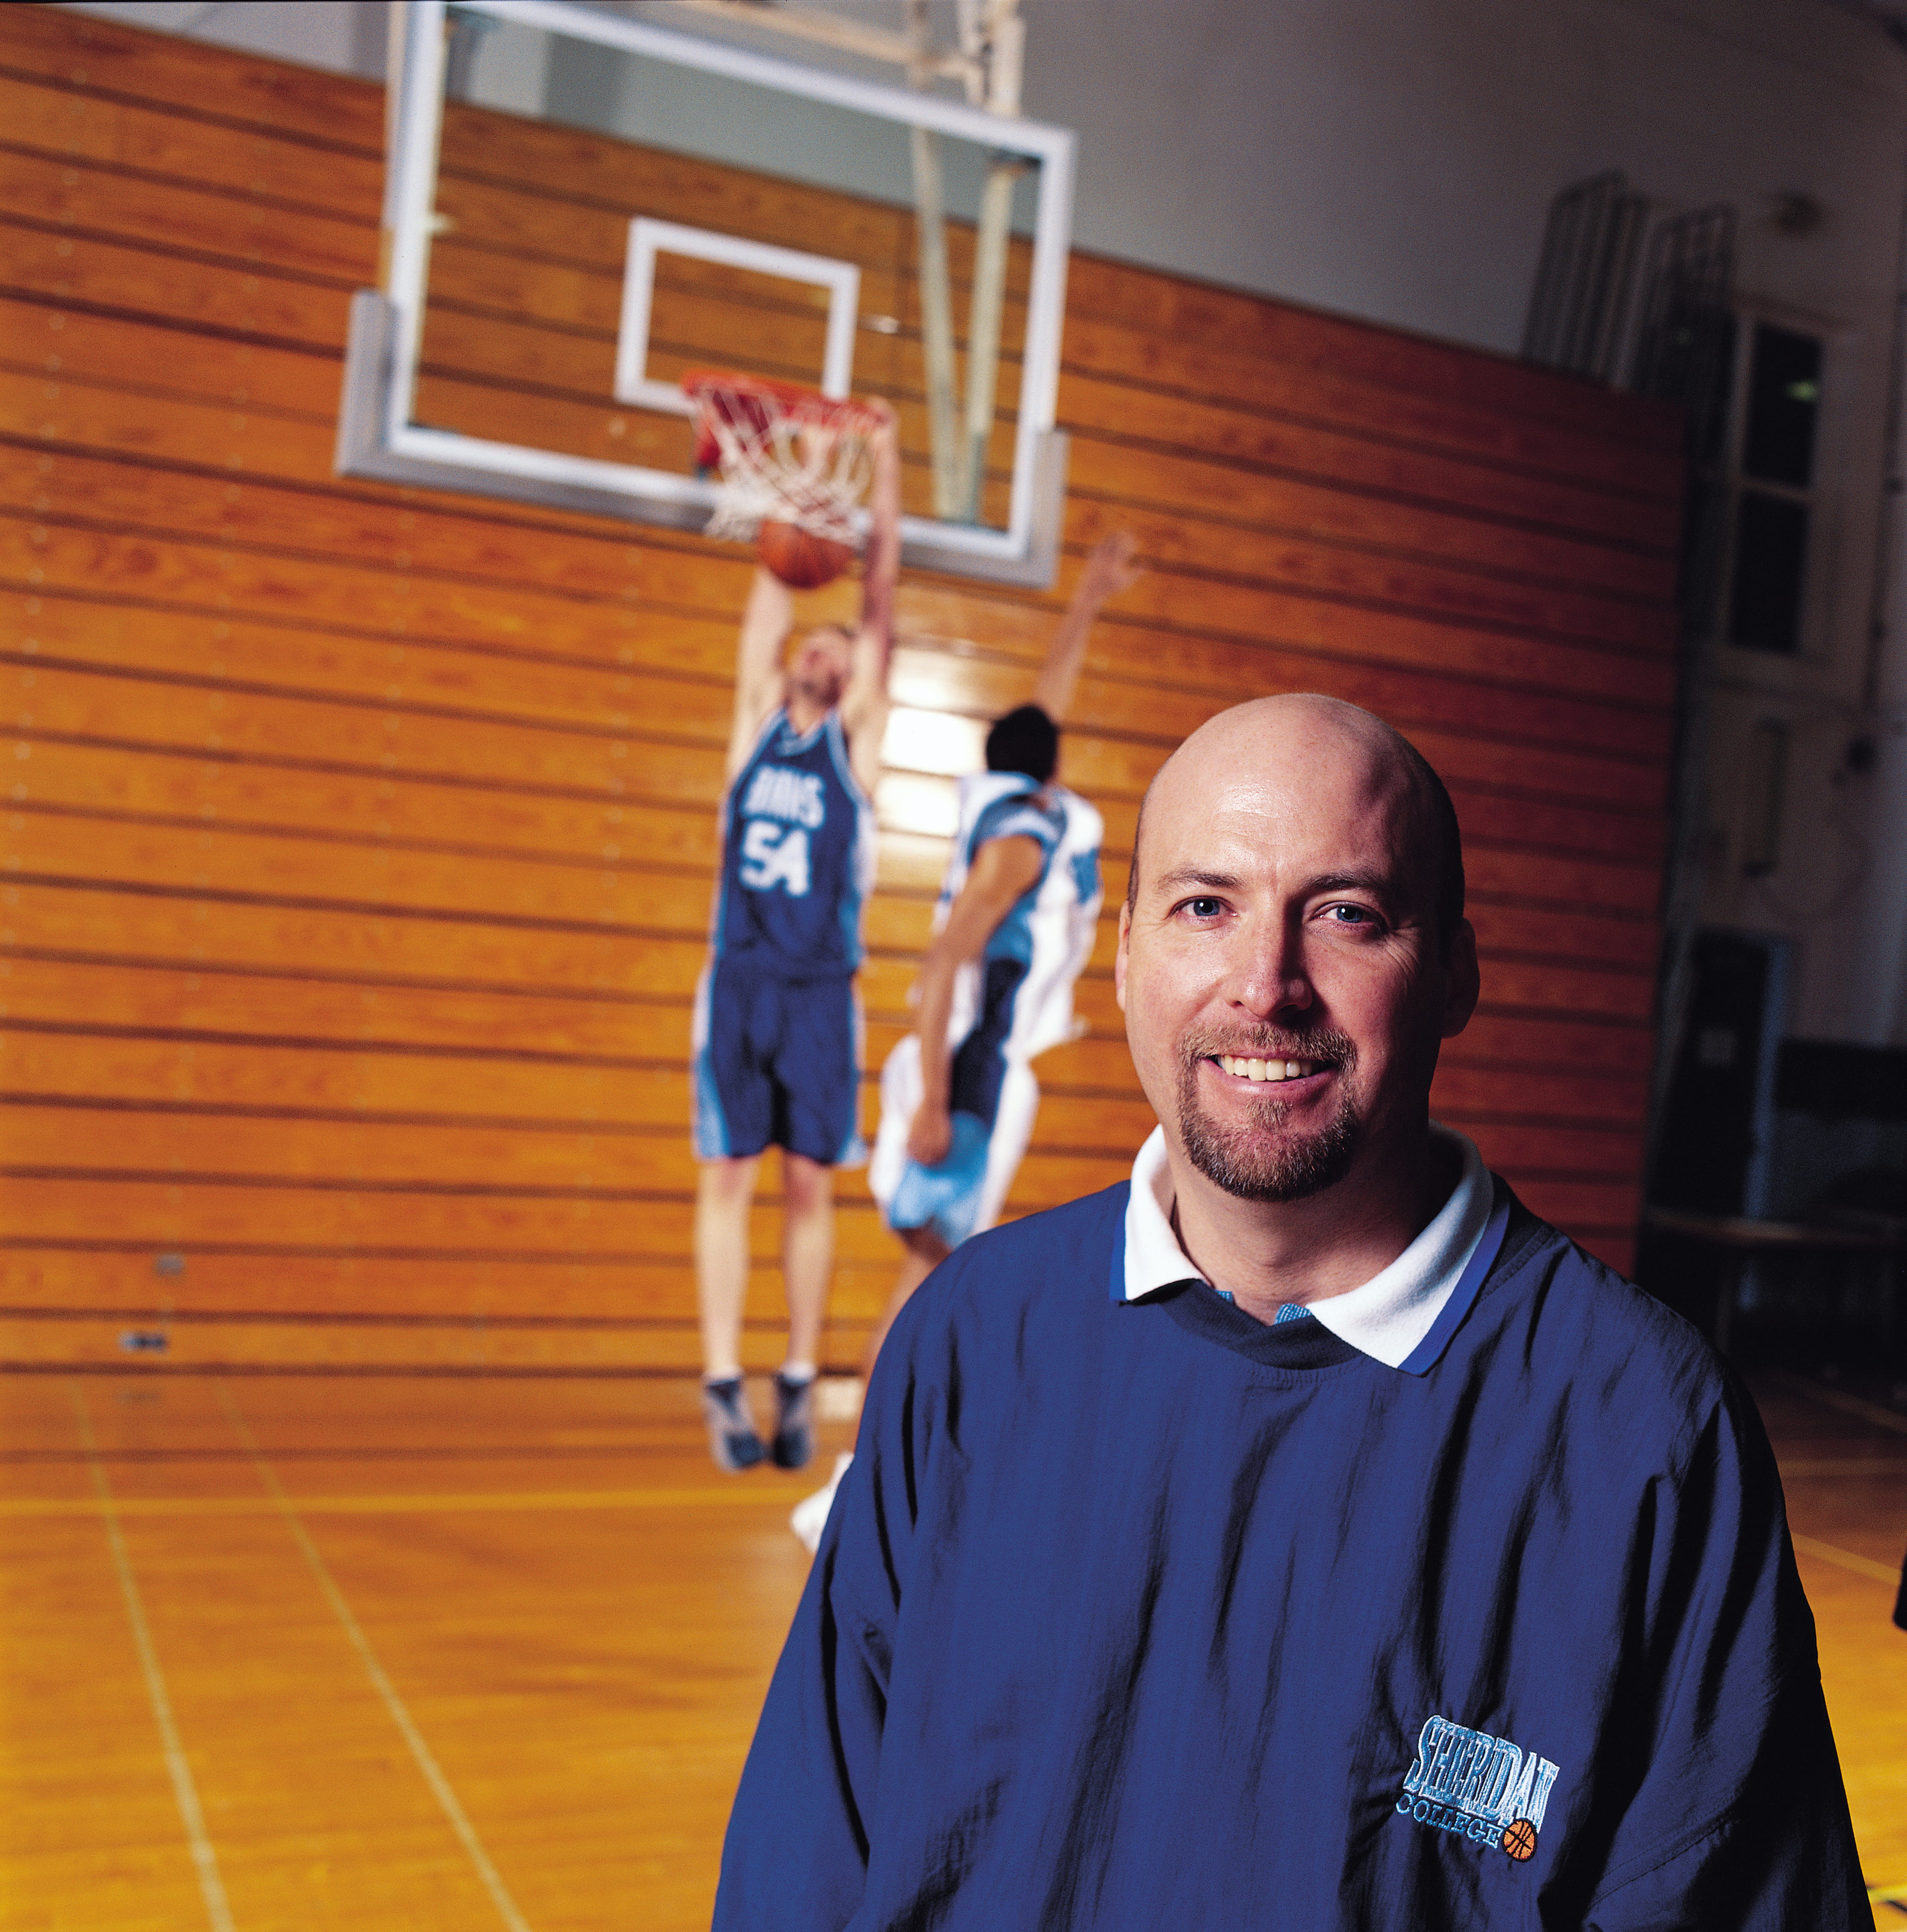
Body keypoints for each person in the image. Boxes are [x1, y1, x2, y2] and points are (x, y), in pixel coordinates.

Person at [716, 693, 1866, 1928]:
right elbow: (807, 1861)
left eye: (1345, 915)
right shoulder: (968, 1341)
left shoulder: (1646, 1428)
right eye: (1205, 907)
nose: (1264, 986)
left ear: (1456, 975)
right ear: (1122, 956)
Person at [788, 534, 1143, 1547]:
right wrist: (942, 1098)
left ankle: (879, 1476)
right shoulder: (1029, 836)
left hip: (952, 1065)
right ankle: (856, 1485)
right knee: (933, 1281)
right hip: (970, 1072)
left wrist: (1090, 598)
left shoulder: (1008, 799)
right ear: (1047, 769)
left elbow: (1046, 703)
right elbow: (946, 962)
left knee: (936, 1275)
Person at [691, 404, 899, 1475]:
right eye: (810, 643)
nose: (822, 645)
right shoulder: (753, 727)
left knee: (811, 1184)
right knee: (728, 1174)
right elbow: (772, 592)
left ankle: (796, 1378)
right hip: (740, 980)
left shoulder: (854, 752)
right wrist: (804, 478)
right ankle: (722, 1377)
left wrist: (880, 466)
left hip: (822, 990)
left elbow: (879, 605)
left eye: (839, 646)